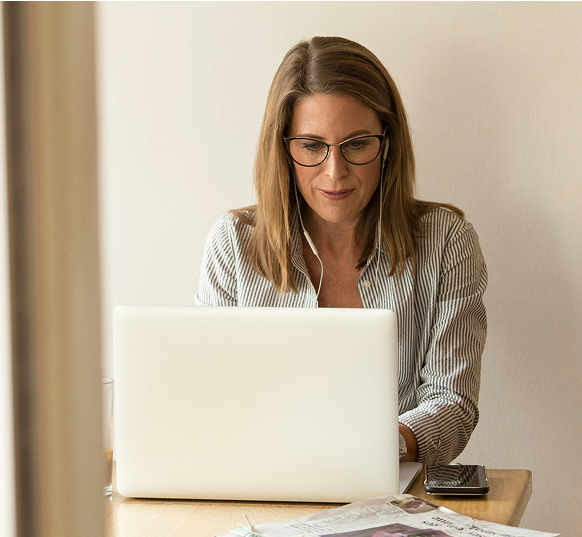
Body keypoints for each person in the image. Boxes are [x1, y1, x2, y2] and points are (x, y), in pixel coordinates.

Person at [194, 36, 487, 466]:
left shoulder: (446, 241)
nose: (335, 172)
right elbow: (210, 398)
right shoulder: (233, 244)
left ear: (387, 143)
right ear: (283, 149)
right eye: (312, 146)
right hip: (261, 484)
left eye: (356, 144)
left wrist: (373, 450)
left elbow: (453, 403)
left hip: (390, 489)